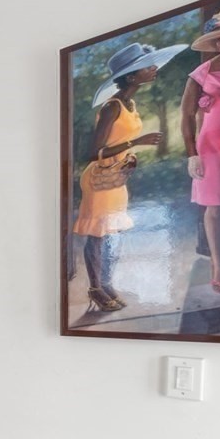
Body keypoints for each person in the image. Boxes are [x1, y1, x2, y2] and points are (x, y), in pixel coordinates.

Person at [75, 43, 186, 311]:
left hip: (116, 178)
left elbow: (119, 141)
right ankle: (95, 288)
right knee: (97, 235)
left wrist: (130, 152)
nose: (154, 69)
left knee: (111, 233)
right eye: (148, 66)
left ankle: (105, 283)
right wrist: (137, 142)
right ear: (131, 75)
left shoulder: (130, 103)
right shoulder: (113, 106)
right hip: (100, 179)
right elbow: (94, 152)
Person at [181, 4, 220, 293]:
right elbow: (186, 115)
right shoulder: (203, 72)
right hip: (214, 149)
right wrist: (191, 153)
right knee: (216, 207)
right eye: (219, 38)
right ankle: (218, 265)